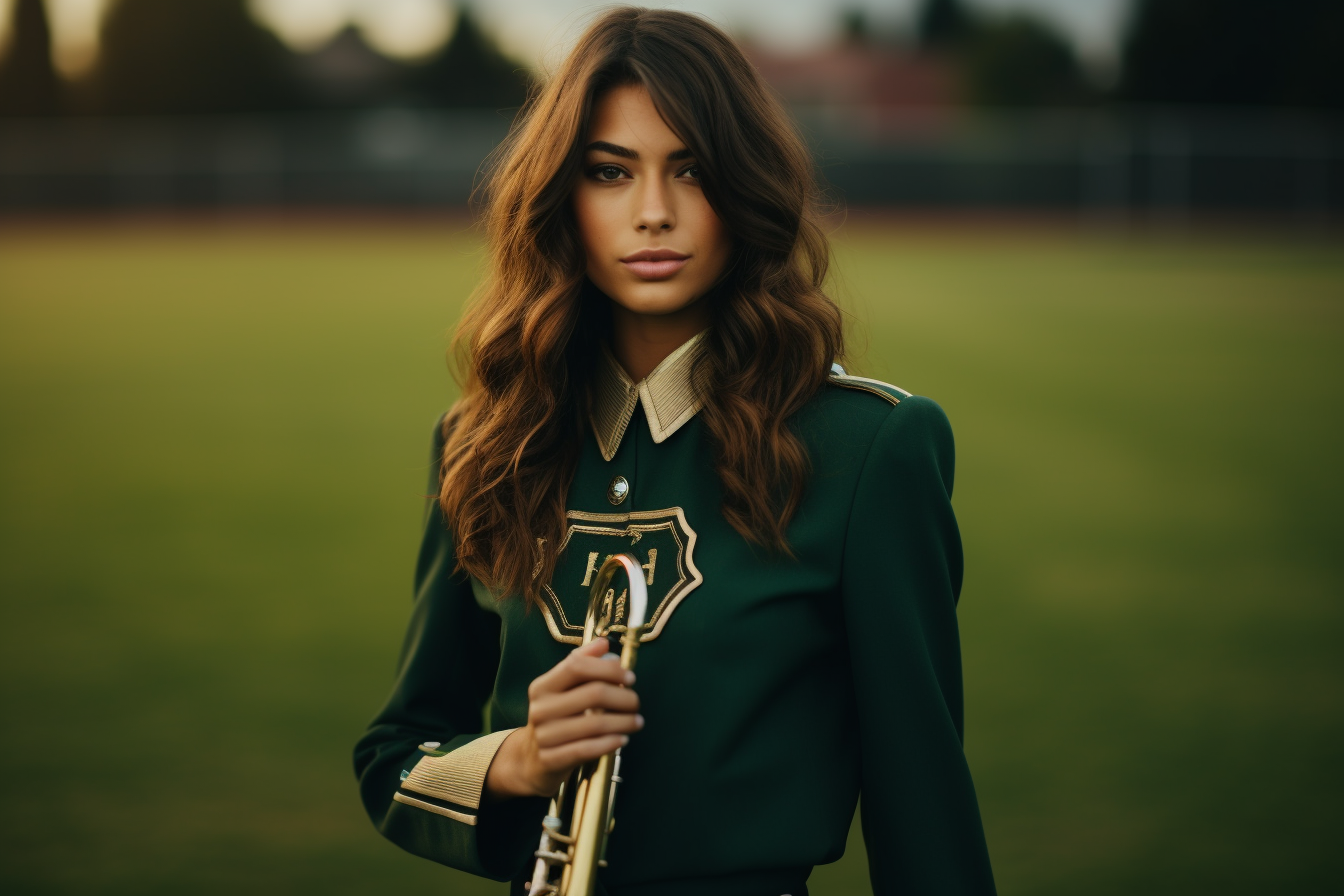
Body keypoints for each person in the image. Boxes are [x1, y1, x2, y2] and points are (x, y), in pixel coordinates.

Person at [354, 7, 996, 895]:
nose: (653, 213)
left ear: (744, 187)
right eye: (610, 172)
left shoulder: (867, 449)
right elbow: (395, 758)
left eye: (691, 170)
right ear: (561, 196)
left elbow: (924, 816)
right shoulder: (484, 441)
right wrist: (517, 760)